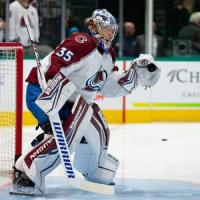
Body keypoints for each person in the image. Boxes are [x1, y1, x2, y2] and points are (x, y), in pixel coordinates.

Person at [10, 9, 161, 195]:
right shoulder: (81, 42)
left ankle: (95, 170)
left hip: (70, 101)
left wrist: (134, 77)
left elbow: (105, 85)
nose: (110, 34)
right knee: (67, 134)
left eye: (112, 30)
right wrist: (52, 92)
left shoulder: (108, 55)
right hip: (42, 92)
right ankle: (26, 172)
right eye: (106, 29)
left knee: (95, 124)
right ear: (94, 27)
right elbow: (56, 66)